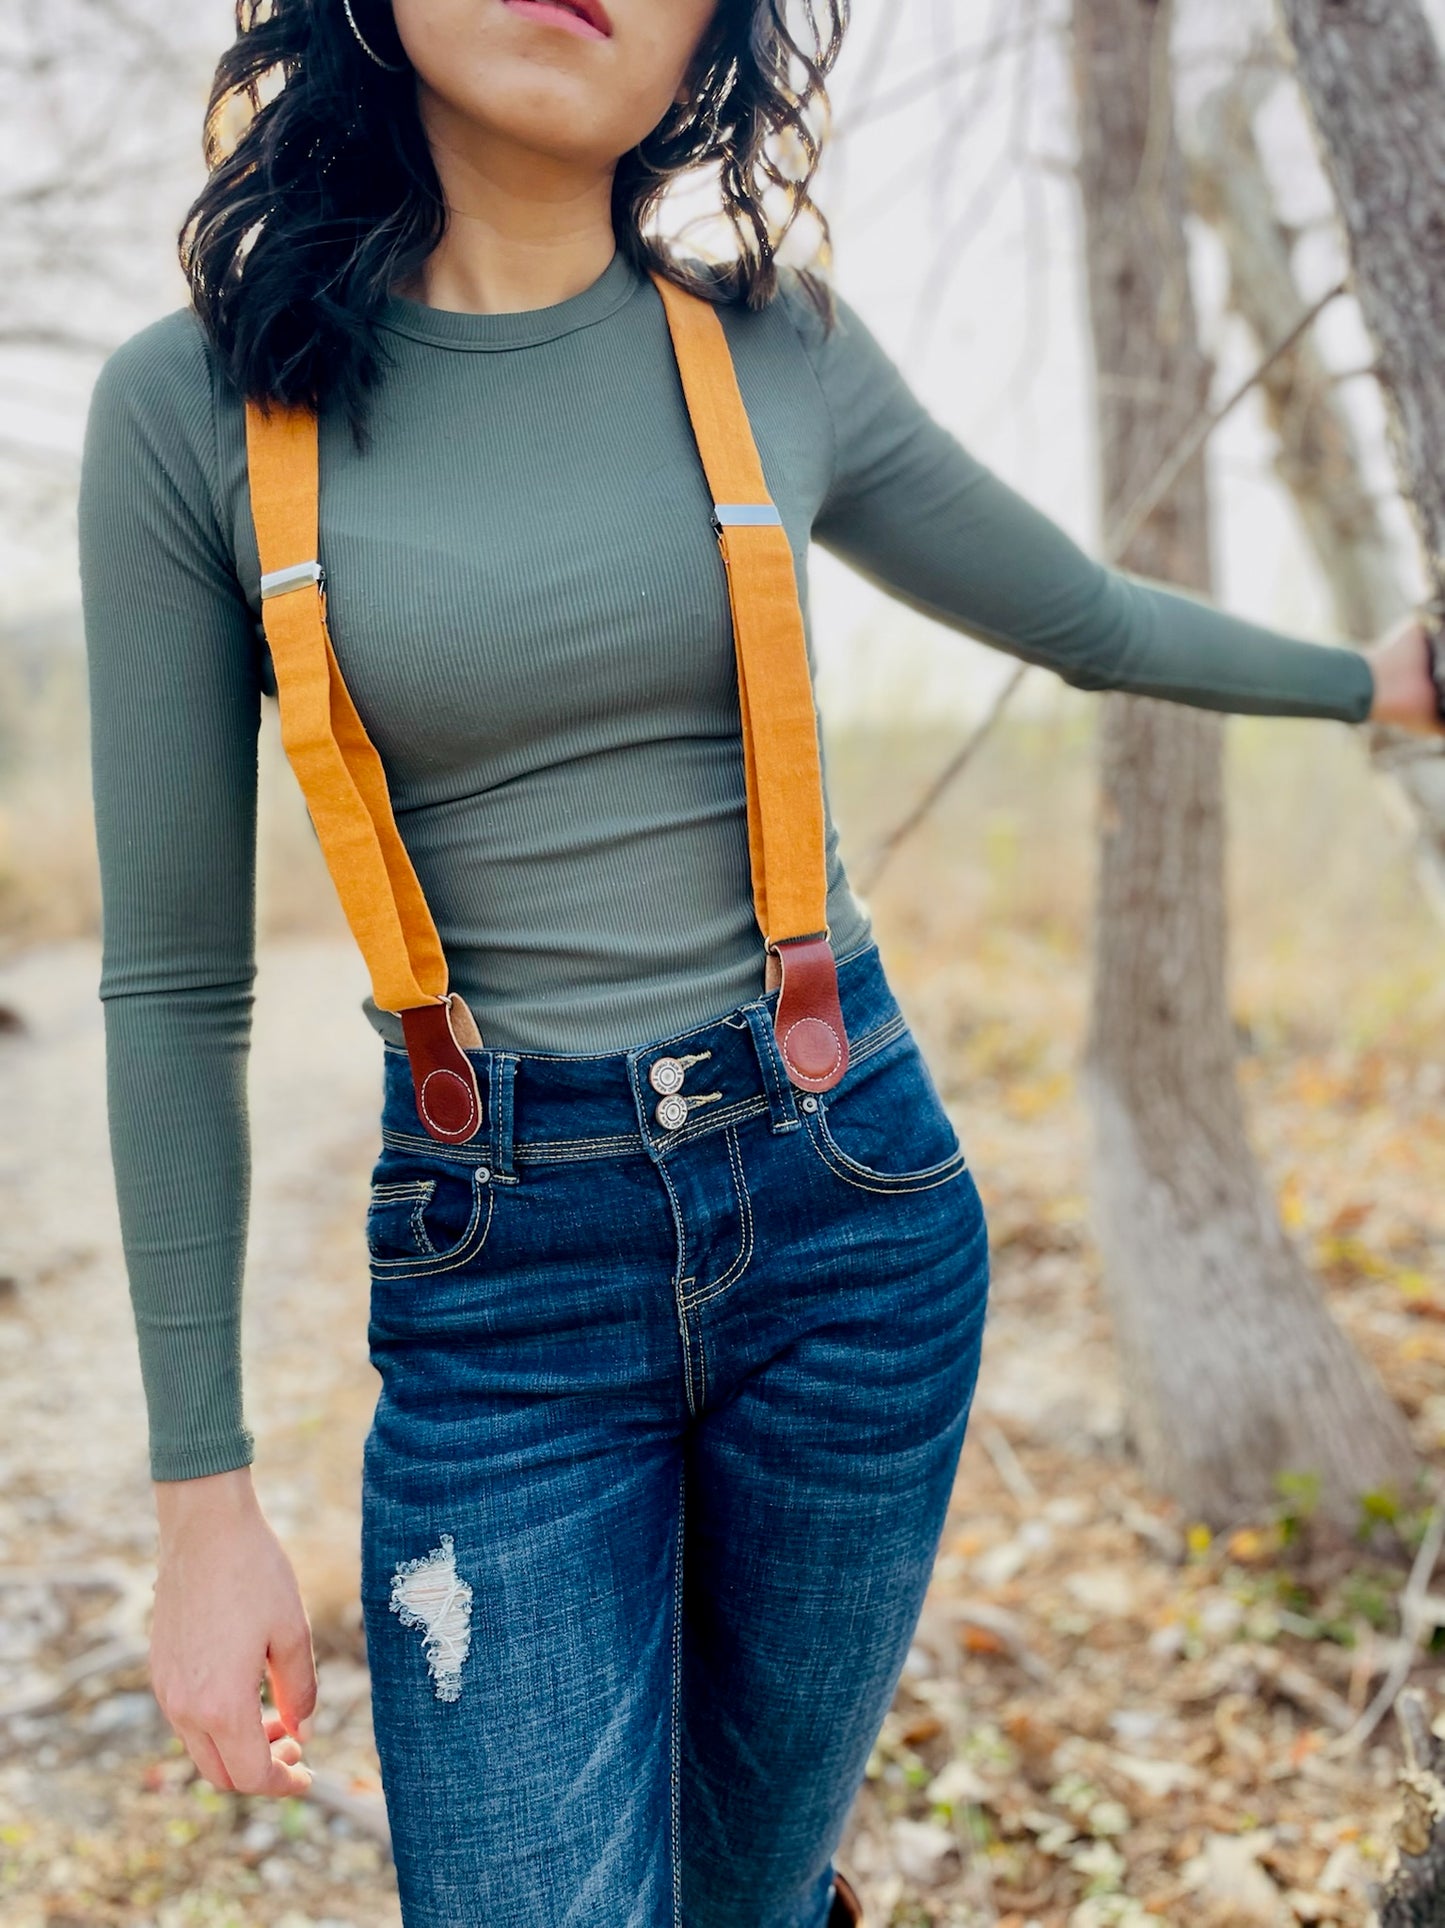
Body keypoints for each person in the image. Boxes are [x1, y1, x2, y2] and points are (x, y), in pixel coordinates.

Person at [76, 1, 1445, 1923]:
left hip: (848, 1228)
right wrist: (201, 1504)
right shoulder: (194, 406)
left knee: (745, 1888)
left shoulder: (773, 350)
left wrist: (1374, 685)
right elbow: (168, 993)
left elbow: (1071, 611)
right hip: (499, 1292)